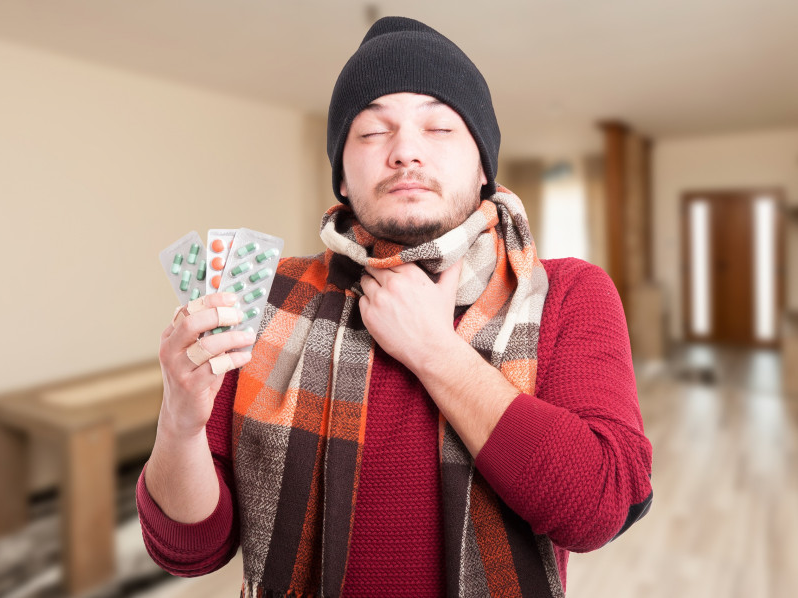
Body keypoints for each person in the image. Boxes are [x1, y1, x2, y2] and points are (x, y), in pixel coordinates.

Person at [138, 16, 652, 598]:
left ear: (484, 166)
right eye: (372, 132)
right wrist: (179, 422)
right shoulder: (264, 299)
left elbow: (600, 506)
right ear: (342, 177)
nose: (406, 151)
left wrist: (434, 352)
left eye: (439, 127)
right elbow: (193, 551)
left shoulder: (569, 294)